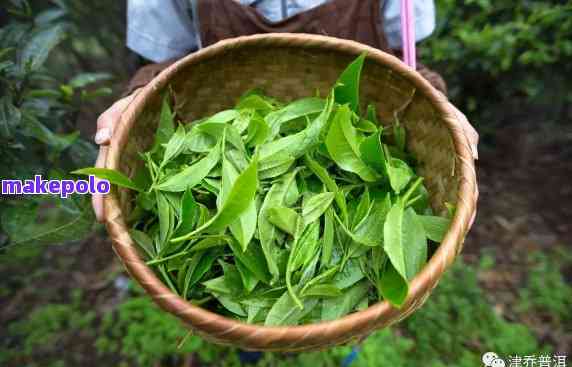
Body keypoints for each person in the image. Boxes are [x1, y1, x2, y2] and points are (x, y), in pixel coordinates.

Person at [93, 0, 477, 221]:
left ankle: (349, 333)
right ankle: (244, 342)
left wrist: (435, 105)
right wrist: (138, 100)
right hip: (225, 139)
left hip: (360, 135)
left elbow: (404, 64)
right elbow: (165, 63)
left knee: (358, 303)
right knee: (235, 322)